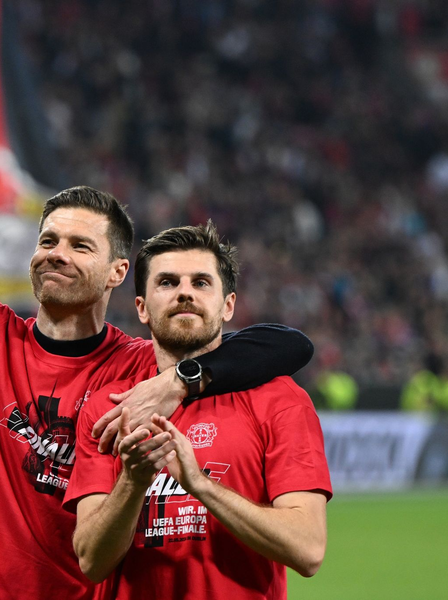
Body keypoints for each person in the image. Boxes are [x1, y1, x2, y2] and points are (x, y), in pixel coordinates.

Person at [0, 36, 315, 600]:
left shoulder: (141, 369)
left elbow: (286, 345)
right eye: (47, 240)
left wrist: (181, 381)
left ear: (118, 273)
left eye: (79, 246)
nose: (55, 253)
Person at [67, 222, 332, 599]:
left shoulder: (279, 399)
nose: (184, 293)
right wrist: (133, 481)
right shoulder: (110, 408)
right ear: (141, 308)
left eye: (201, 282)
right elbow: (91, 561)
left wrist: (201, 485)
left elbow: (308, 549)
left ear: (228, 306)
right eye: (167, 282)